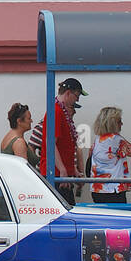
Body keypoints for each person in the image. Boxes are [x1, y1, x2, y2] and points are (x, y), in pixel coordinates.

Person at [35, 77, 88, 205]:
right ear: (68, 93)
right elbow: (50, 143)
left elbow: (63, 145)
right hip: (57, 176)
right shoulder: (56, 112)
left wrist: (72, 169)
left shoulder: (61, 112)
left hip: (61, 175)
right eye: (77, 95)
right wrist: (63, 170)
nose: (78, 99)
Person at [90, 107, 131, 205]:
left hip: (97, 188)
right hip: (114, 189)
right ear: (112, 123)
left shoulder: (98, 139)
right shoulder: (116, 139)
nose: (122, 124)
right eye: (119, 121)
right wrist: (118, 135)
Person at [0, 103, 38, 168]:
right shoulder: (19, 142)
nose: (31, 121)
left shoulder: (7, 137)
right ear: (19, 121)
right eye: (29, 118)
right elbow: (24, 170)